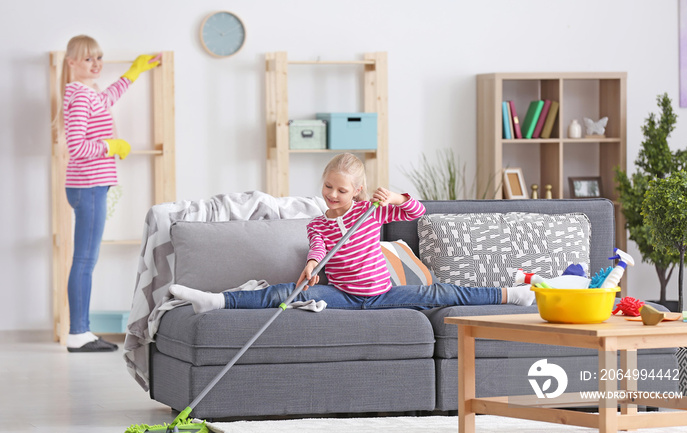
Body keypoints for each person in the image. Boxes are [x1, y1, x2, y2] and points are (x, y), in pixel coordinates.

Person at [170, 153, 535, 313]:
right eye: (328, 186)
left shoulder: (371, 211)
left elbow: (418, 212)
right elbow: (317, 246)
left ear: (357, 192)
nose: (332, 194)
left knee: (444, 293)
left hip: (382, 295)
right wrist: (312, 266)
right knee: (285, 291)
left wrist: (396, 196)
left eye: (341, 190)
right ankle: (215, 301)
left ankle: (511, 295)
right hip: (343, 295)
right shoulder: (319, 222)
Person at [57, 35, 160, 352]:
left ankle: (82, 331)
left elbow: (107, 99)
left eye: (98, 57)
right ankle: (77, 333)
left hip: (90, 185)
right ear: (72, 62)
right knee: (85, 261)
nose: (96, 63)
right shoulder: (78, 95)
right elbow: (75, 147)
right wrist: (111, 146)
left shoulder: (90, 92)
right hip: (87, 185)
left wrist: (133, 73)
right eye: (88, 59)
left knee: (86, 259)